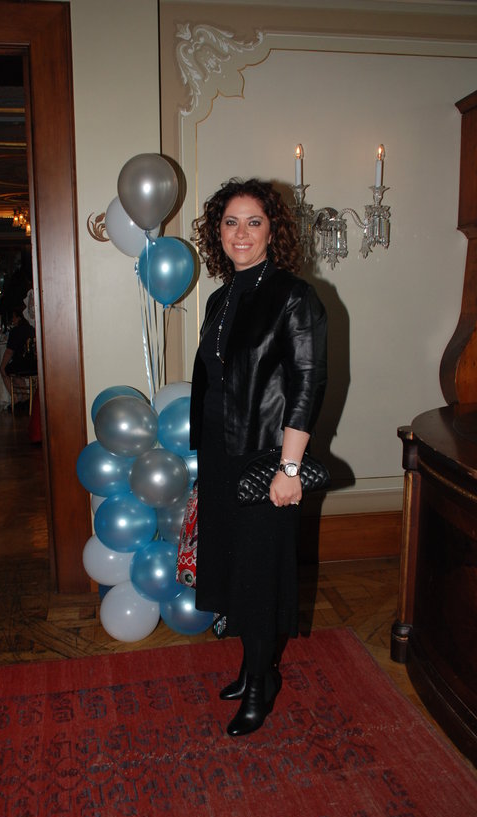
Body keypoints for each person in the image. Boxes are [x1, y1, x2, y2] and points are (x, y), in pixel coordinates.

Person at [189, 177, 328, 737]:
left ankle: (261, 683)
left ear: (274, 231)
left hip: (268, 457)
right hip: (221, 453)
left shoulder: (294, 295)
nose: (240, 233)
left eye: (254, 222)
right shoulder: (221, 297)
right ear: (217, 232)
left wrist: (289, 469)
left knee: (260, 575)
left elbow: (307, 385)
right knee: (234, 568)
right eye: (230, 222)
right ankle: (252, 668)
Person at [0, 307, 36, 408]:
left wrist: (2, 366)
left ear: (19, 318)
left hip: (21, 364)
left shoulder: (15, 331)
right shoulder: (31, 329)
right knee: (16, 374)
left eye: (13, 318)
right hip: (33, 364)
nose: (12, 320)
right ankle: (25, 398)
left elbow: (9, 352)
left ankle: (15, 399)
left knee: (5, 370)